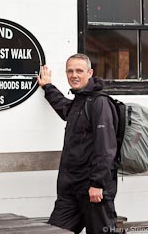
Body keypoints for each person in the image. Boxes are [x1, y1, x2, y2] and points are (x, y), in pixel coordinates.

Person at [37, 54, 118, 234]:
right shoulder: (80, 100)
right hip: (70, 191)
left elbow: (106, 149)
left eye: (79, 71)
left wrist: (97, 184)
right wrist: (48, 87)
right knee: (55, 231)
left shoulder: (99, 102)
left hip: (93, 191)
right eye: (70, 71)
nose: (74, 75)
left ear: (90, 73)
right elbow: (64, 108)